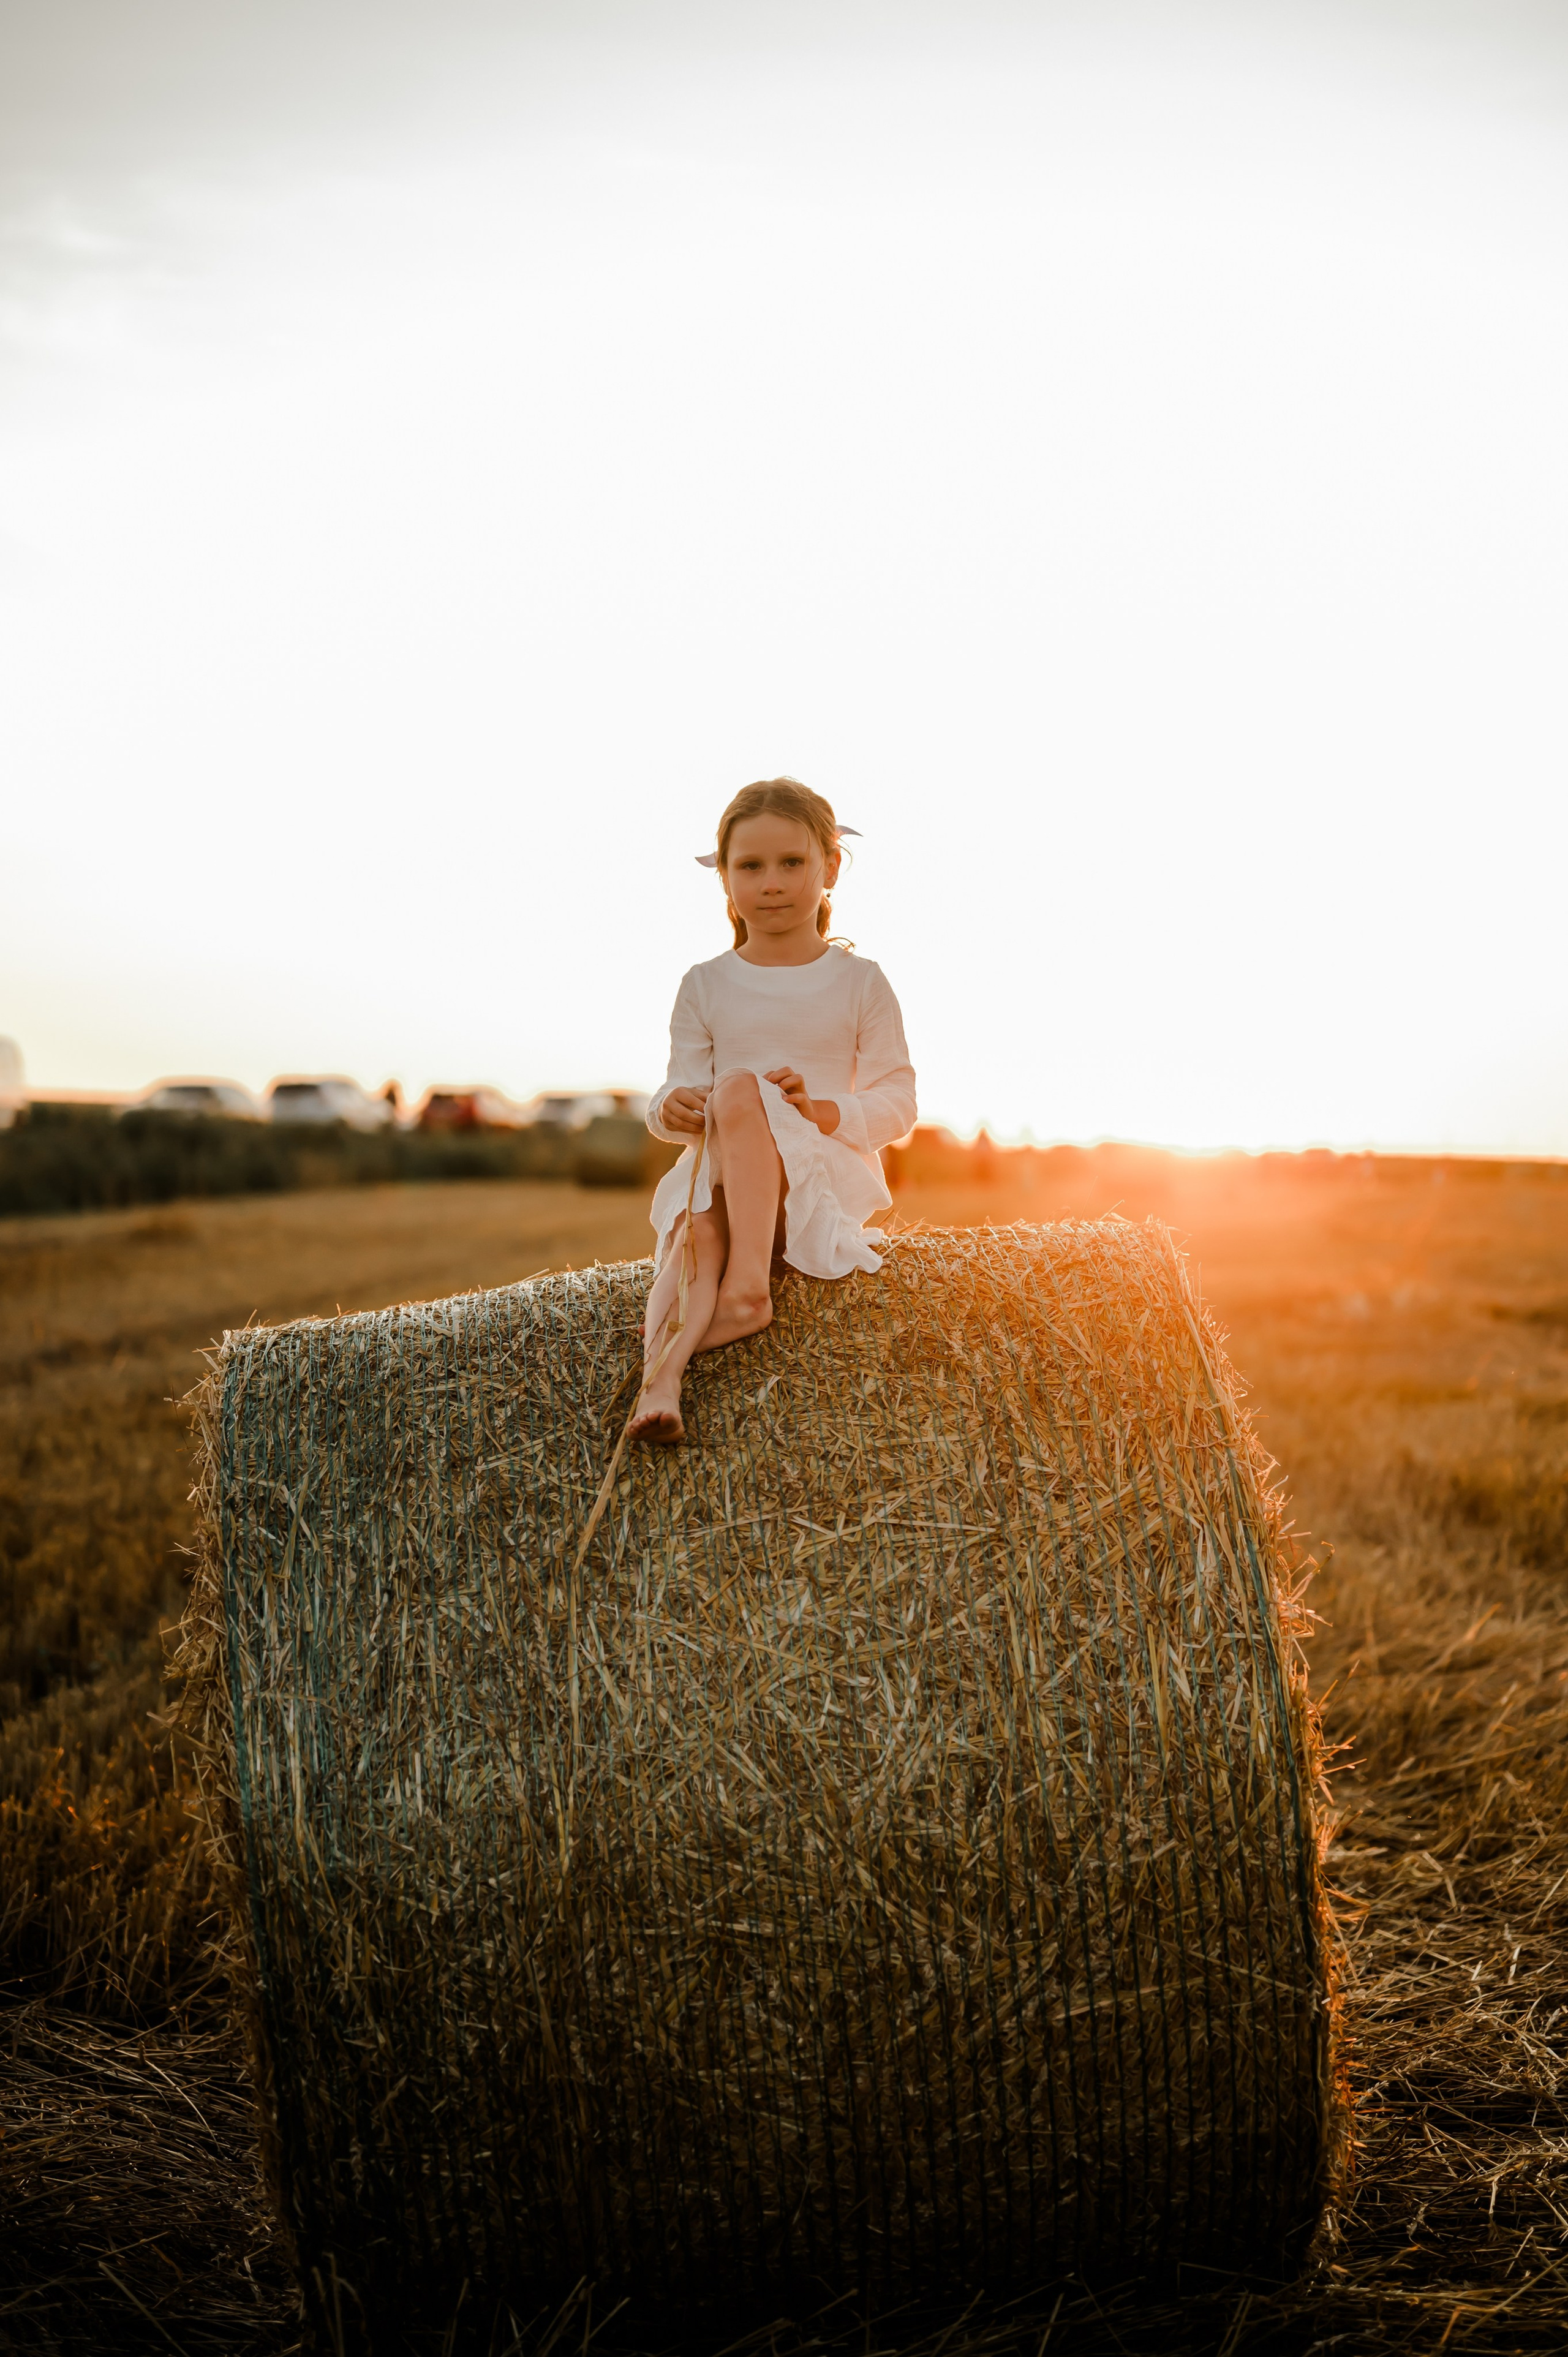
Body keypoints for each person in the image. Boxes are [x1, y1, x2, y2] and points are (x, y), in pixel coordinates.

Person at [630, 777, 917, 1444]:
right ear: (725, 879)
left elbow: (898, 1101)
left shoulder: (860, 982)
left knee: (738, 1086)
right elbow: (675, 1089)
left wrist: (819, 1110)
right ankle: (662, 1385)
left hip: (815, 1181)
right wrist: (672, 1107)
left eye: (792, 862)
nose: (772, 881)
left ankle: (749, 1284)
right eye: (750, 866)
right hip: (728, 1179)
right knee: (693, 1233)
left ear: (830, 867)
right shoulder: (704, 984)